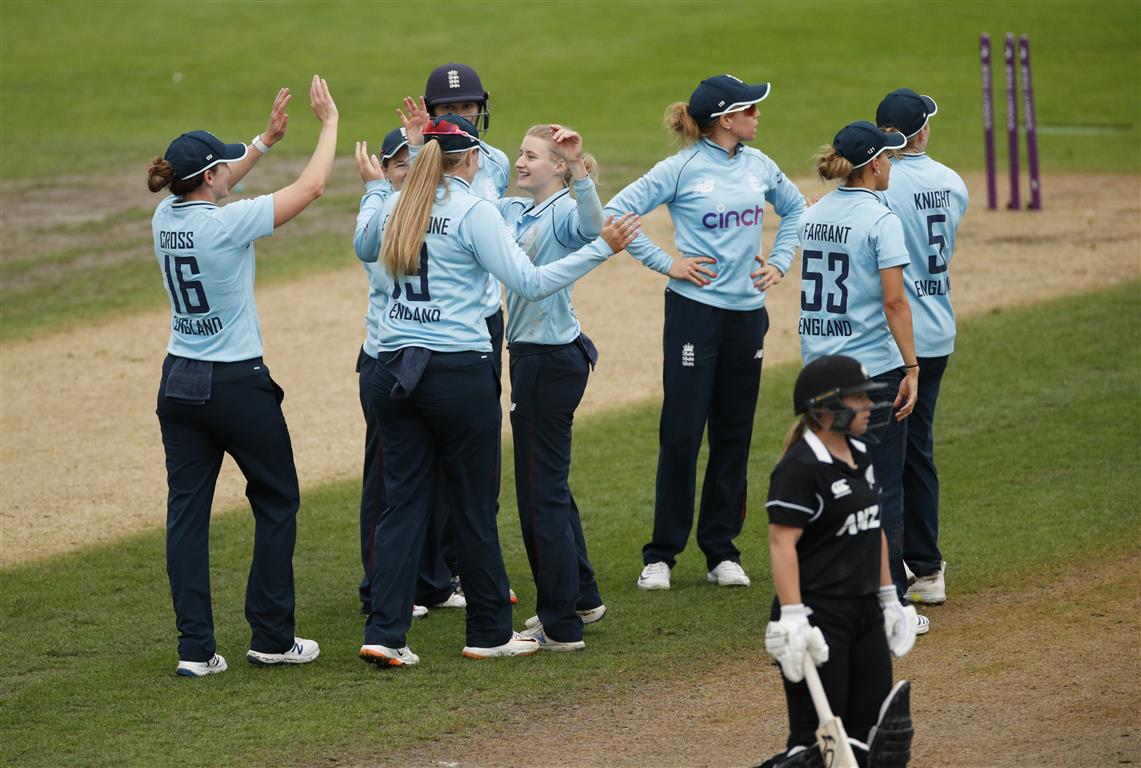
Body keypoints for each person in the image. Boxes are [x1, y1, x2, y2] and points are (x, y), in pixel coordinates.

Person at [353, 115, 638, 666]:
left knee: (401, 505)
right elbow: (528, 282)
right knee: (474, 506)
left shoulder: (393, 204)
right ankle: (488, 633)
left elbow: (365, 245)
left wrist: (373, 188)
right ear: (471, 160)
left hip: (391, 371)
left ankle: (385, 632)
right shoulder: (474, 211)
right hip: (456, 375)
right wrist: (601, 249)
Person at [149, 76, 338, 677]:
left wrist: (263, 142)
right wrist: (328, 124)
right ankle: (272, 637)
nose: (232, 169)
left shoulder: (164, 215)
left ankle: (195, 650)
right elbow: (311, 188)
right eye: (224, 165)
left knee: (186, 514)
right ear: (208, 179)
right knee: (277, 498)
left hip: (179, 380)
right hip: (235, 383)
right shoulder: (226, 225)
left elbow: (222, 181)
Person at [602, 74, 807, 591]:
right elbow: (614, 212)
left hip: (746, 317)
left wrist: (779, 262)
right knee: (682, 433)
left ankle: (722, 552)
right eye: (750, 110)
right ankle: (661, 555)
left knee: (734, 434)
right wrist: (666, 262)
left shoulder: (760, 166)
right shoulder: (682, 168)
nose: (759, 116)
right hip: (695, 315)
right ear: (724, 119)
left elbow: (798, 208)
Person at [795, 120, 928, 634]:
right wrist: (912, 366)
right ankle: (890, 604)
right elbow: (895, 301)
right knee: (881, 489)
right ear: (873, 164)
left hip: (817, 371)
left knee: (830, 487)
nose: (892, 165)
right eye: (888, 158)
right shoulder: (881, 219)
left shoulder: (815, 213)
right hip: (869, 370)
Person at [758, 355, 916, 768]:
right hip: (818, 620)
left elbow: (874, 526)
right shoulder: (799, 468)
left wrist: (888, 598)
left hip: (864, 614)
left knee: (872, 742)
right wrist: (792, 615)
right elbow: (781, 544)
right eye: (858, 398)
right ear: (825, 409)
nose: (868, 406)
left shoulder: (861, 454)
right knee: (818, 749)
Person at [492, 124, 608, 651]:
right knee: (551, 488)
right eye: (520, 153)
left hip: (548, 363)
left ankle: (560, 624)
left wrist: (581, 169)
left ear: (557, 168)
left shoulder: (563, 210)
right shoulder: (522, 210)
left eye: (532, 156)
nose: (520, 162)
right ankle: (582, 597)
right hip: (542, 358)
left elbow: (593, 226)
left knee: (540, 493)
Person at [875, 89, 969, 606]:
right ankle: (925, 567)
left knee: (897, 457)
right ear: (923, 131)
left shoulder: (880, 185)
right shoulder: (953, 182)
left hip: (898, 338)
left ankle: (919, 567)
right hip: (939, 330)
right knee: (917, 450)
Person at [352, 127, 444, 619]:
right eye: (398, 163)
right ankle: (379, 588)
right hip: (385, 361)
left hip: (424, 359)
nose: (409, 169)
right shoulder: (385, 214)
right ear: (385, 172)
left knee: (425, 474)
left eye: (416, 160)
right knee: (386, 480)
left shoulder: (433, 209)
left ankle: (429, 580)